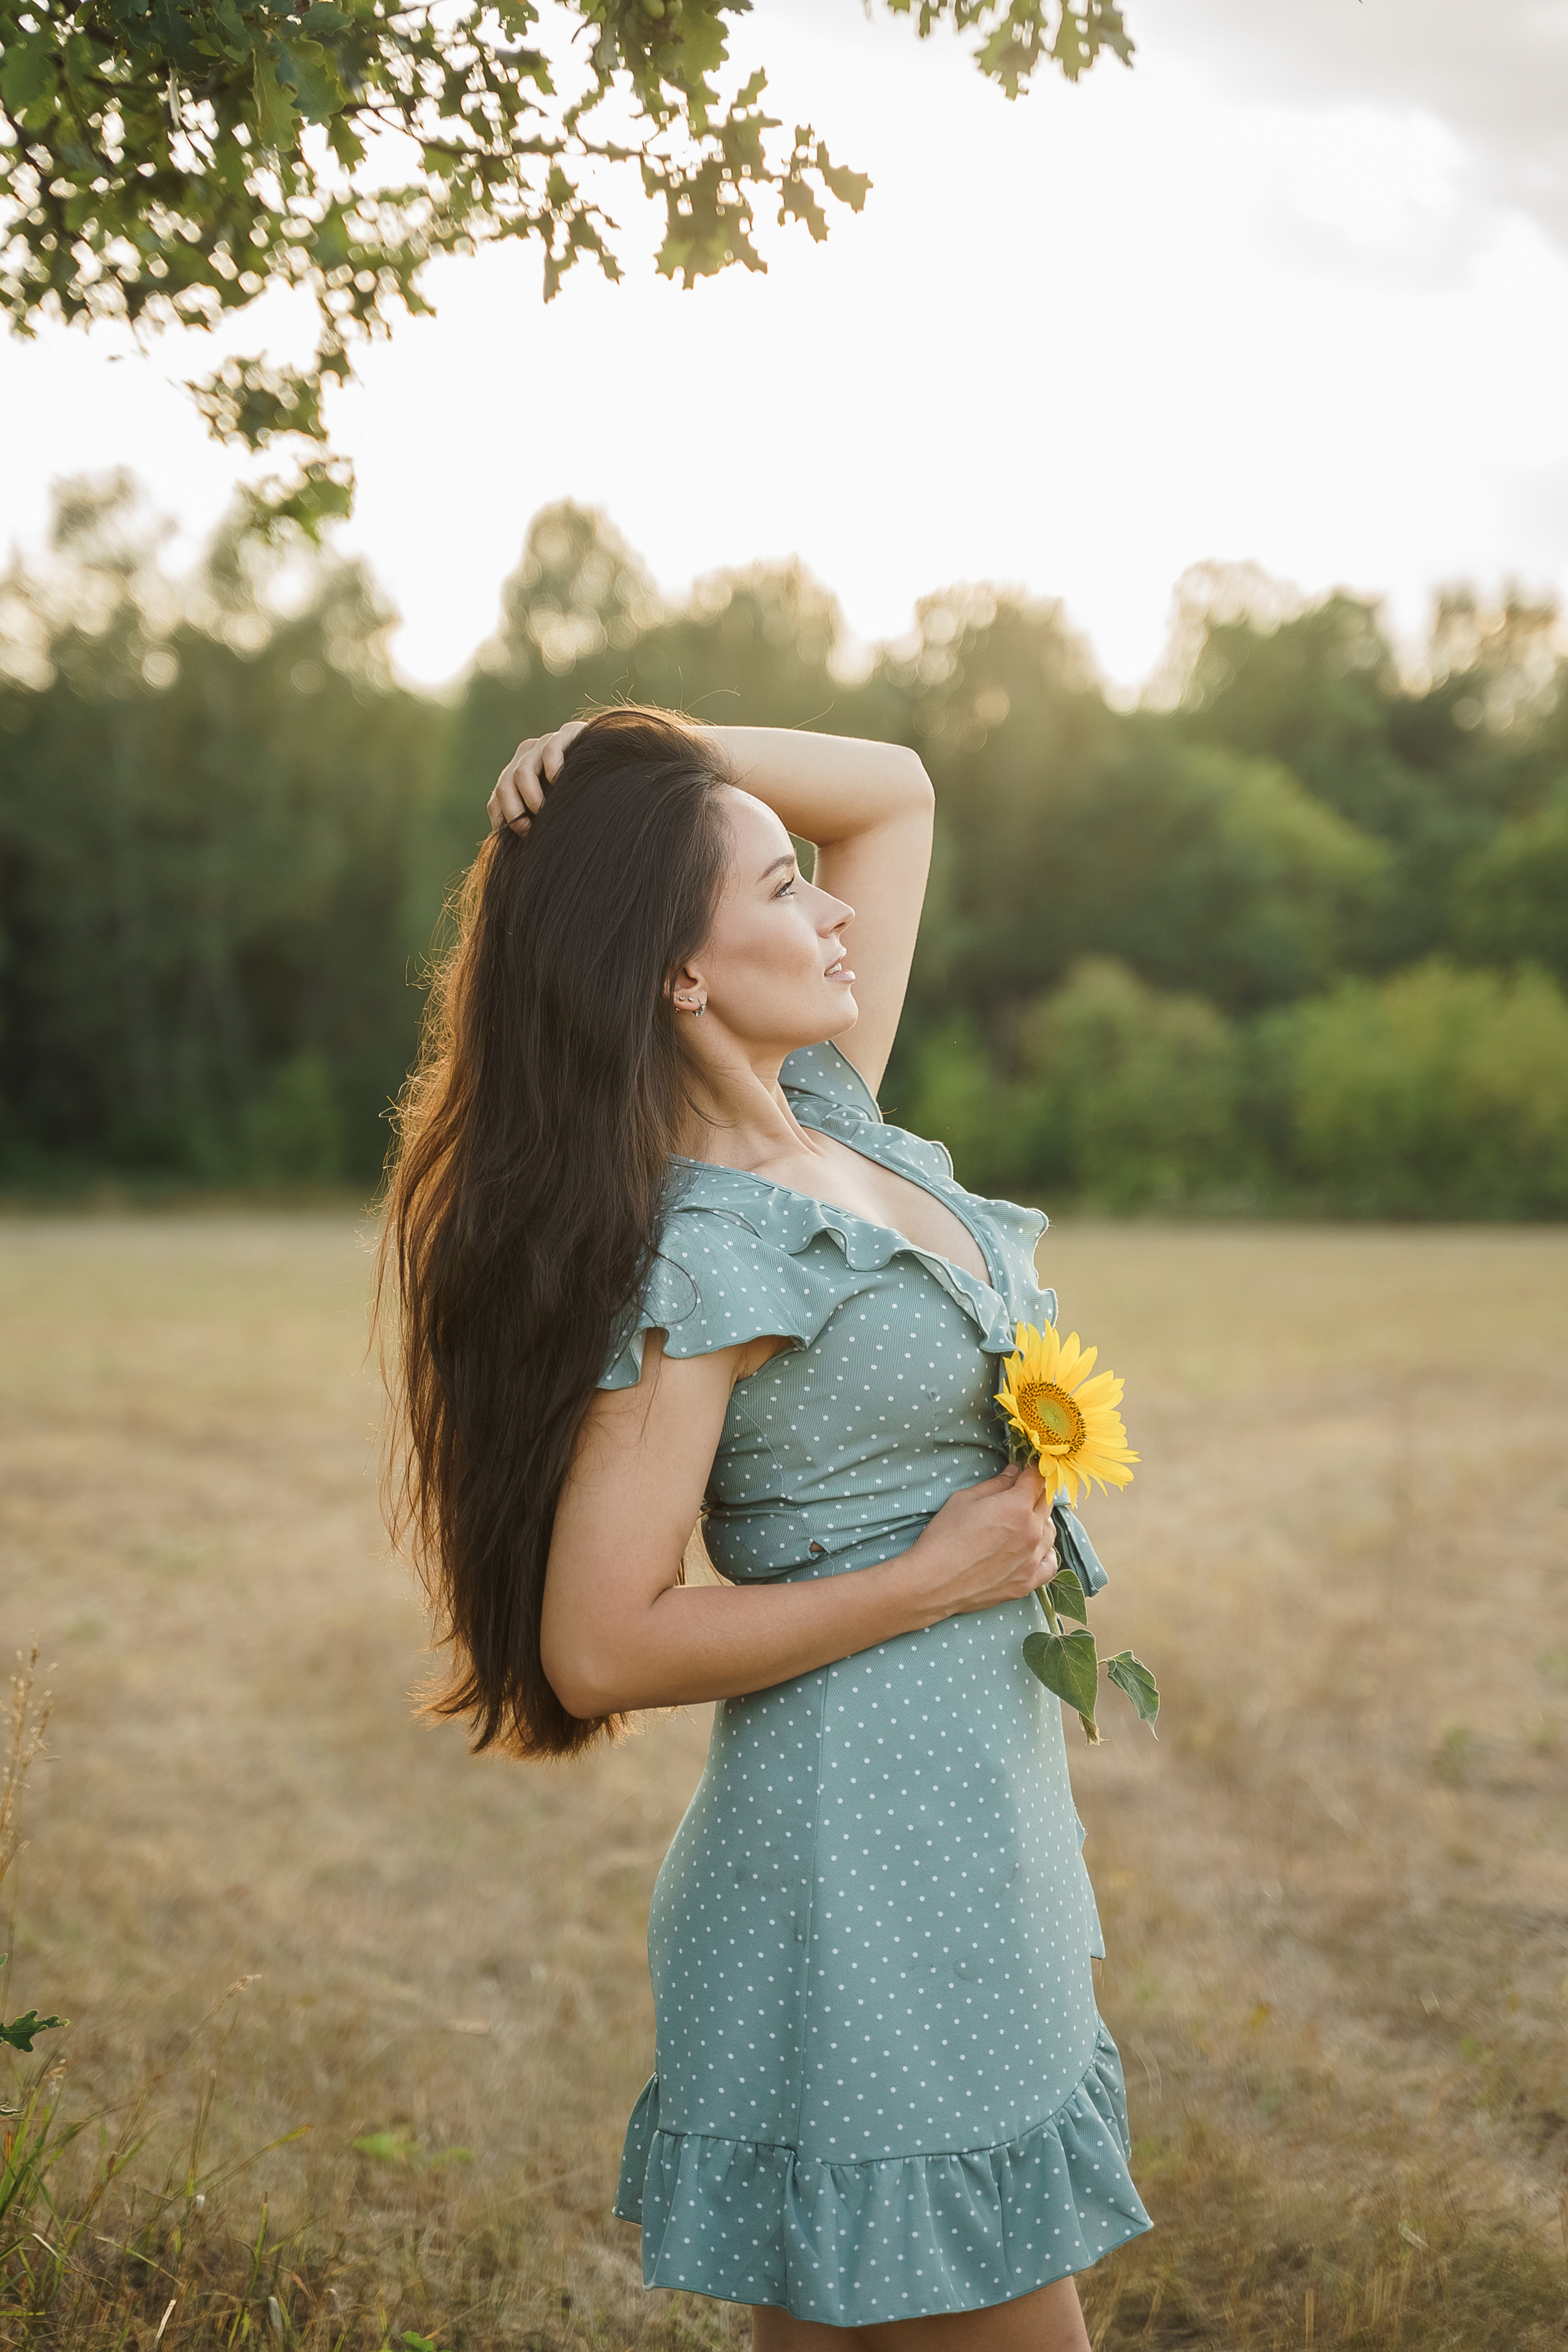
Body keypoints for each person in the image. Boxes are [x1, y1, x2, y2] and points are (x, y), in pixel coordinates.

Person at [379, 707, 1152, 2352]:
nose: (839, 913)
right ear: (679, 971)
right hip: (852, 1867)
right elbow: (598, 1644)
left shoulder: (833, 1121)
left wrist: (621, 736)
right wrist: (929, 1577)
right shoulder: (701, 1257)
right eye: (787, 892)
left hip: (965, 1829)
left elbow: (900, 788)